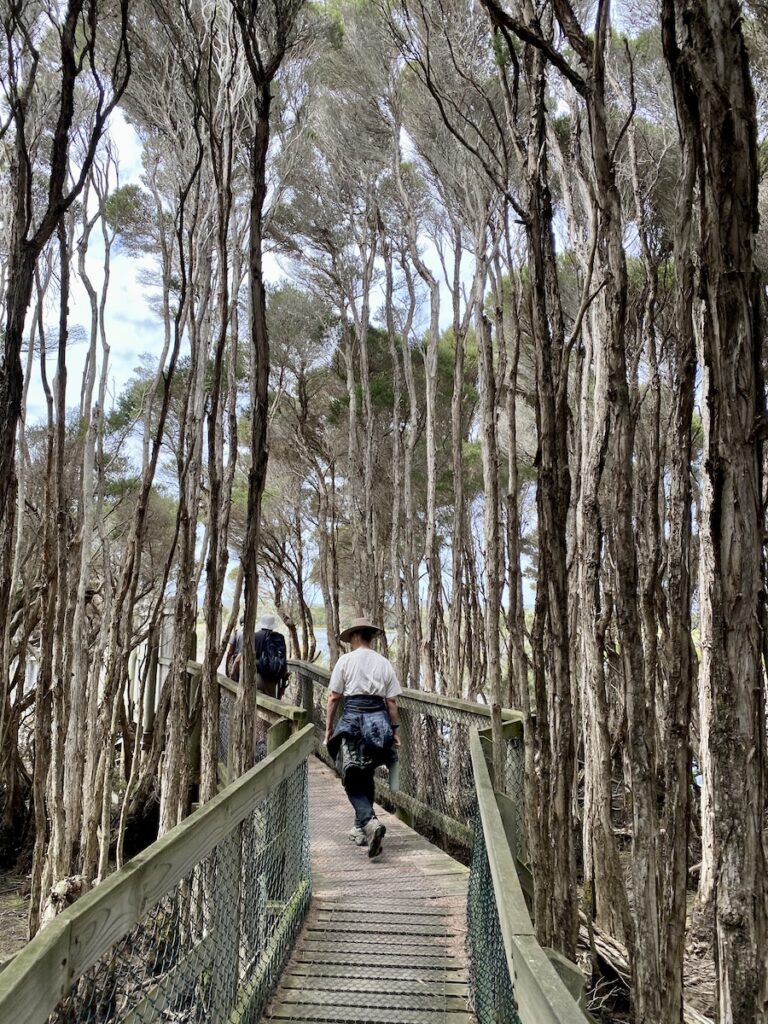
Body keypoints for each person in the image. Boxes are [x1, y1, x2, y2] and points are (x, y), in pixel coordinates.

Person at [325, 617, 401, 858]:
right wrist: (395, 730)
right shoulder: (383, 663)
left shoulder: (346, 661)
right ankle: (362, 828)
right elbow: (391, 701)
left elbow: (334, 697)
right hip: (378, 724)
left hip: (353, 722)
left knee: (350, 776)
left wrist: (329, 730)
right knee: (365, 773)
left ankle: (369, 821)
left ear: (356, 635)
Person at [226, 613, 288, 699]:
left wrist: (232, 675)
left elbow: (239, 658)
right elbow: (283, 662)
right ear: (273, 626)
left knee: (254, 705)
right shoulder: (278, 638)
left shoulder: (254, 637)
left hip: (255, 679)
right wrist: (283, 684)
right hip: (272, 682)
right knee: (269, 708)